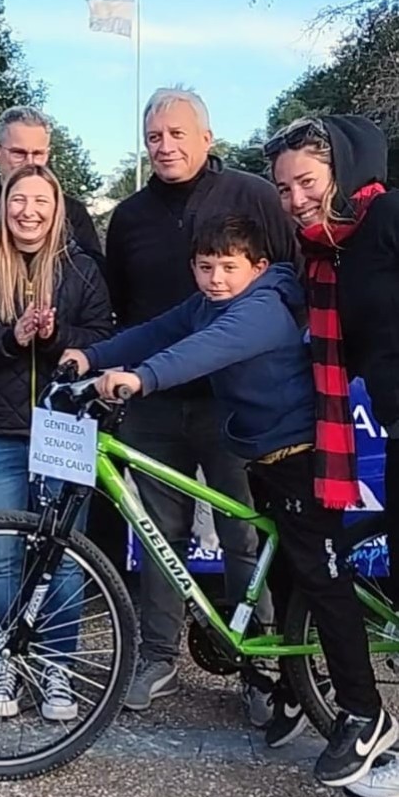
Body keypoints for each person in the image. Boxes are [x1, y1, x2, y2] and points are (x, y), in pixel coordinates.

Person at [61, 215, 398, 789]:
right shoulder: (209, 302)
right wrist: (92, 356)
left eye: (227, 267)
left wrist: (137, 381)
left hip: (302, 460)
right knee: (291, 578)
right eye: (205, 266)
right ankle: (293, 686)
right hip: (263, 459)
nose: (215, 278)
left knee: (322, 582)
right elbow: (159, 330)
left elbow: (198, 352)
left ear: (258, 267)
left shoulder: (262, 309)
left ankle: (367, 716)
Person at [104, 87, 299, 719]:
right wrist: (104, 358)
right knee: (158, 536)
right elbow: (146, 315)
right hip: (155, 405)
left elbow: (279, 284)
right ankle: (158, 656)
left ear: (206, 138)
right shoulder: (129, 216)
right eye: (155, 136)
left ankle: (262, 664)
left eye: (178, 134)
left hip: (230, 402)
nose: (165, 146)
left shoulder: (252, 194)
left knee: (245, 532)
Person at [0, 165, 112, 721]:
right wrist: (10, 339)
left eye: (41, 200)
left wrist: (58, 336)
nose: (29, 210)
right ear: (5, 206)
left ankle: (57, 666)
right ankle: (2, 658)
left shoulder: (83, 269)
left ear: (57, 208)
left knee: (63, 558)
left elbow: (106, 340)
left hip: (63, 431)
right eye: (19, 199)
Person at [267, 112, 399, 797]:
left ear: (340, 172)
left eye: (307, 182)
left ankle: (367, 716)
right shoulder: (323, 254)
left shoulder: (388, 216)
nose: (296, 200)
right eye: (284, 188)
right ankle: (370, 719)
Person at [0, 105, 105, 508]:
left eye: (38, 154)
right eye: (18, 153)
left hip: (62, 416)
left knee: (63, 543)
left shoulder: (75, 216)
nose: (29, 162)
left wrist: (53, 336)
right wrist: (6, 337)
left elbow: (98, 317)